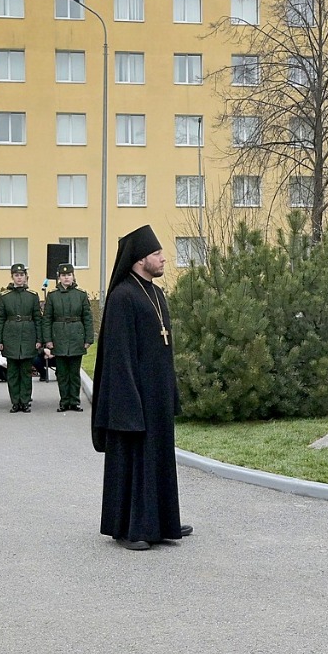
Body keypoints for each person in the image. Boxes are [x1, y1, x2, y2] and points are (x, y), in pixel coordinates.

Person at [92, 225, 192, 550]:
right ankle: (130, 529)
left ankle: (163, 522)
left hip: (157, 397)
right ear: (139, 260)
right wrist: (128, 404)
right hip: (133, 399)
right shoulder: (123, 296)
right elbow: (118, 358)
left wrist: (170, 392)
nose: (164, 258)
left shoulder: (157, 293)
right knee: (135, 462)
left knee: (159, 460)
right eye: (156, 254)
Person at [44, 263, 93, 412]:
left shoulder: (81, 295)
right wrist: (48, 340)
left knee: (74, 372)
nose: (66, 278)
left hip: (76, 336)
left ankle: (75, 401)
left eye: (69, 275)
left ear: (73, 276)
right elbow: (47, 319)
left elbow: (87, 318)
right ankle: (64, 401)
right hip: (59, 336)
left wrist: (88, 339)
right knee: (62, 373)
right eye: (63, 275)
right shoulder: (52, 296)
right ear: (59, 278)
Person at [0, 263, 43, 413]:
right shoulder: (5, 297)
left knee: (26, 372)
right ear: (12, 277)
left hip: (28, 336)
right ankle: (15, 401)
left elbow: (38, 319)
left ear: (26, 277)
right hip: (11, 337)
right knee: (13, 372)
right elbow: (0, 319)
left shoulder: (33, 296)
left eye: (22, 275)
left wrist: (39, 339)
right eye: (16, 275)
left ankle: (25, 401)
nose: (19, 278)